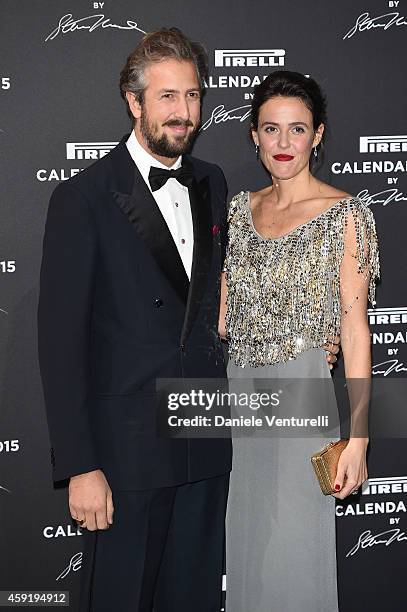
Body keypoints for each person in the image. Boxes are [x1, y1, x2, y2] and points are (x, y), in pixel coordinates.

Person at [37, 28, 233, 612]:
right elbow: (60, 343)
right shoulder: (86, 196)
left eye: (193, 96)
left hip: (203, 441)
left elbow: (214, 301)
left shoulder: (213, 181)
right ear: (135, 100)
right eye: (168, 97)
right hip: (126, 456)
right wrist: (80, 466)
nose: (184, 113)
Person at [219, 71, 380, 612]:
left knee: (294, 556)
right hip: (240, 405)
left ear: (318, 135)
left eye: (297, 130)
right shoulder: (237, 213)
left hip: (303, 405)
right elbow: (220, 319)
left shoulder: (346, 215)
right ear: (254, 137)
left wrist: (357, 439)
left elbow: (356, 332)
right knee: (246, 552)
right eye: (271, 129)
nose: (283, 144)